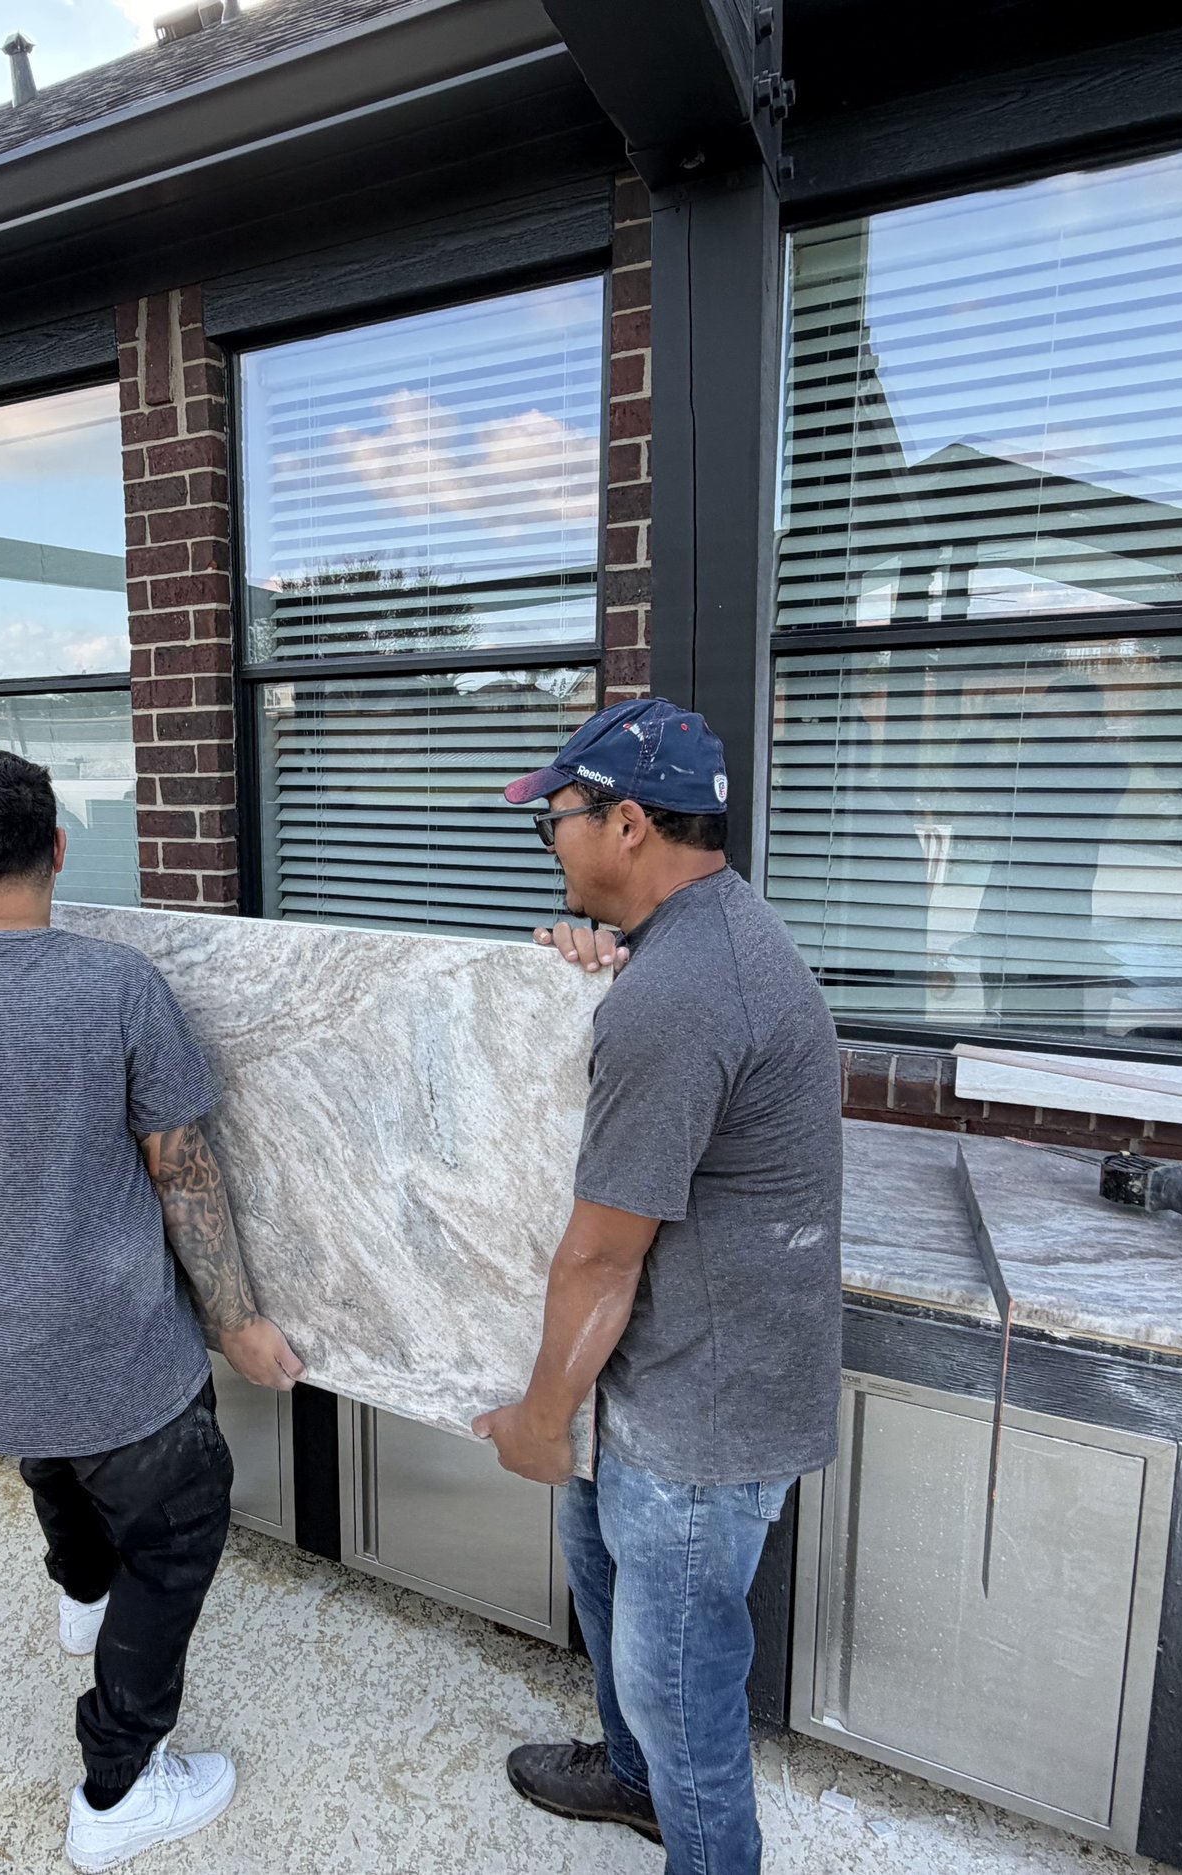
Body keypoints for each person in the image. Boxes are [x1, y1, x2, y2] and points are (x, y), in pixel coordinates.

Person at [0, 749, 304, 1875]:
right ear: (59, 851)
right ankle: (117, 1790)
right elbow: (181, 1170)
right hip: (108, 1342)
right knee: (179, 1528)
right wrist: (239, 1321)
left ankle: (79, 1597)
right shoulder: (112, 988)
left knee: (52, 1460)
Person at [473, 699, 844, 1875]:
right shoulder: (694, 946)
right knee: (614, 1600)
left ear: (627, 823)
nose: (549, 842)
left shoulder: (681, 995)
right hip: (654, 1372)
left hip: (700, 1409)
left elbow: (599, 1258)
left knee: (679, 1685)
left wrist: (537, 1420)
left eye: (559, 821)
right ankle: (634, 1785)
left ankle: (699, 1841)